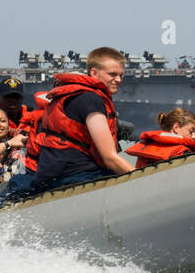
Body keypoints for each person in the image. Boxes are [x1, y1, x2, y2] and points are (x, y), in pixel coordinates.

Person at [30, 46, 135, 190]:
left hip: (50, 176)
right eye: (112, 74)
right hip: (78, 176)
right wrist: (141, 182)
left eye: (121, 75)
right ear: (94, 73)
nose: (118, 80)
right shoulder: (91, 99)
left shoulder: (72, 95)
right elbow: (109, 158)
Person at [125, 108, 195, 168]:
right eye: (191, 131)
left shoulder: (145, 150)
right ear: (176, 128)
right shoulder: (182, 153)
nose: (194, 136)